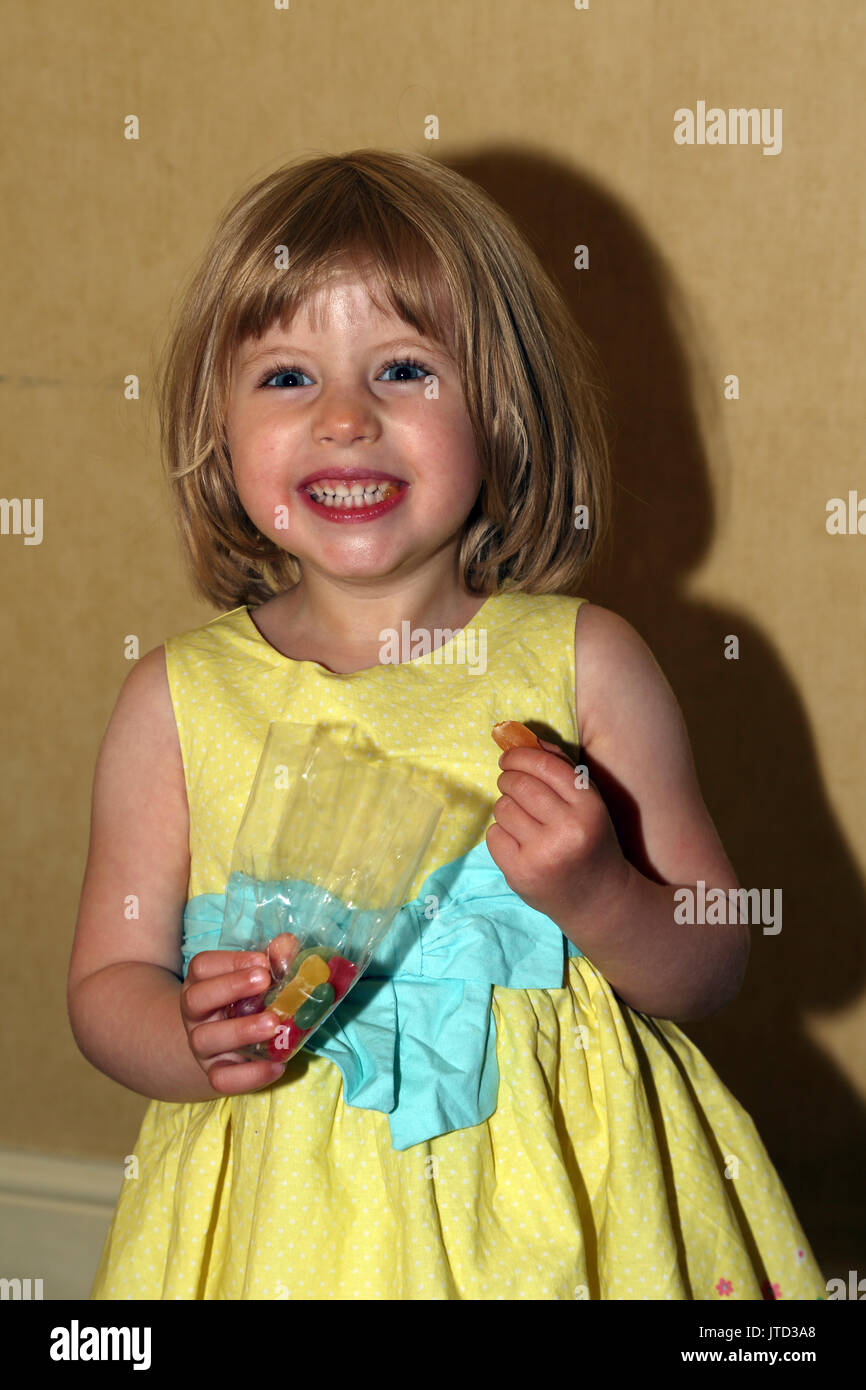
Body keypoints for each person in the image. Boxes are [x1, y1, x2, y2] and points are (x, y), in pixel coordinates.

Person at [69, 149, 826, 1300]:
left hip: (564, 1213)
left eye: (403, 369)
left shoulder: (580, 665)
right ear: (216, 428)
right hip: (285, 1223)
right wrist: (187, 1036)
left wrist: (601, 897)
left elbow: (711, 953)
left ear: (501, 410)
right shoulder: (175, 701)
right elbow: (105, 981)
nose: (342, 419)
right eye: (284, 378)